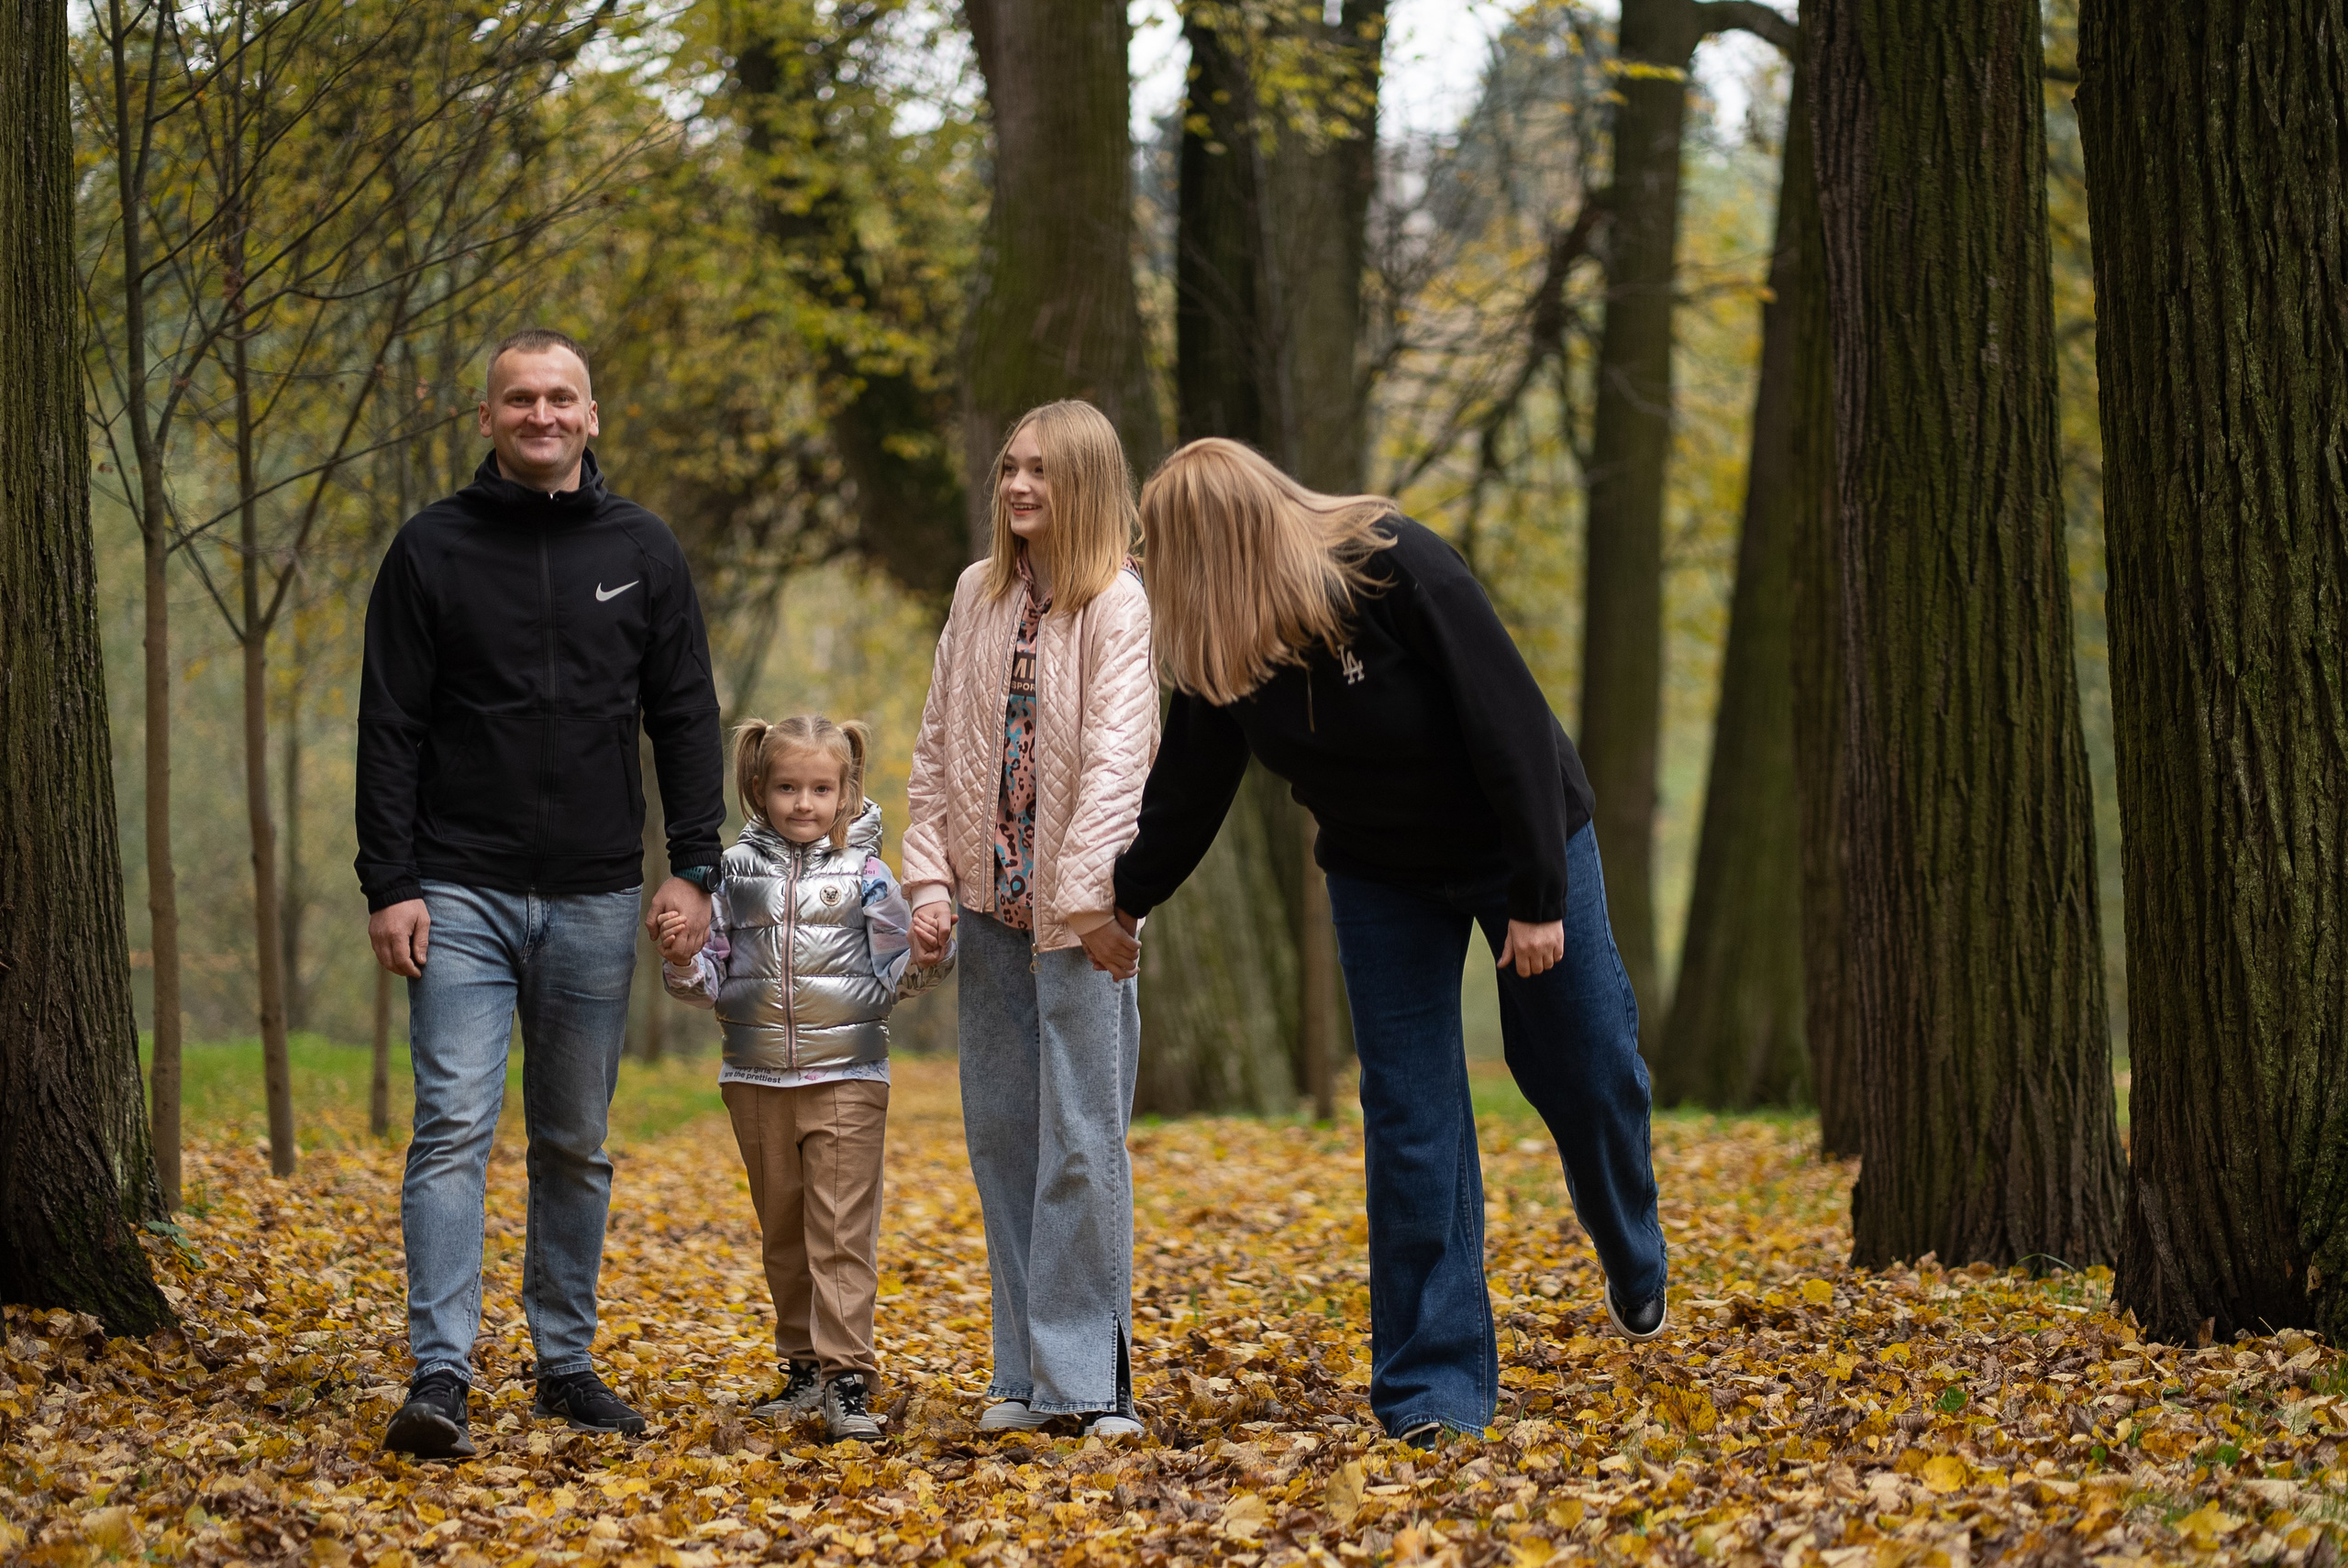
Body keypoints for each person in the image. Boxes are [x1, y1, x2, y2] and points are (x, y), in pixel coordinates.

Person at [1102, 438, 1667, 1444]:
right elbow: (1187, 790)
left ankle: (1630, 1245)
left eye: (1163, 545)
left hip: (1518, 837)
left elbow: (1510, 727)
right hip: (1380, 874)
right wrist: (1124, 902)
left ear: (1220, 543)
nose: (1149, 564)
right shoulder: (1227, 648)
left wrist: (1538, 895)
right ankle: (1432, 1392)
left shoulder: (1396, 564)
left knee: (1584, 1063)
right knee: (1410, 1117)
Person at [356, 327, 725, 1460]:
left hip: (597, 891)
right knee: (453, 1125)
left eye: (561, 397)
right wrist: (391, 881)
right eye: (519, 398)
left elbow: (686, 717)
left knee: (574, 1138)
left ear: (592, 415)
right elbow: (390, 726)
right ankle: (440, 1373)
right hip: (457, 886)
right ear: (487, 419)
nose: (541, 414)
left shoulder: (644, 548)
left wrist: (696, 865)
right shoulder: (431, 549)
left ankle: (564, 1363)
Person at [901, 400, 1158, 1440]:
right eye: (1010, 468)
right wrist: (927, 879)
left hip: (1081, 921)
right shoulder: (977, 592)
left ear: (1085, 486)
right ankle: (1022, 1371)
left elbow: (1115, 766)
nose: (1016, 487)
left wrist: (1092, 904)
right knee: (1003, 1137)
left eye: (1041, 473)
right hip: (987, 905)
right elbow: (933, 751)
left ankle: (1090, 1381)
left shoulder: (1118, 605)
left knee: (1082, 1143)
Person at [655, 714, 950, 1443]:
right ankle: (802, 1370)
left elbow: (898, 976)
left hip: (848, 1075)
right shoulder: (728, 875)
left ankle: (848, 1377)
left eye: (821, 788)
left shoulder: (871, 875)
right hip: (755, 1076)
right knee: (784, 1230)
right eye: (787, 787)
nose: (803, 803)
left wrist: (928, 950)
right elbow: (708, 981)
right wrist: (680, 957)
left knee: (840, 1229)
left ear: (847, 792)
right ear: (758, 787)